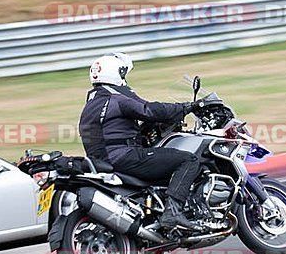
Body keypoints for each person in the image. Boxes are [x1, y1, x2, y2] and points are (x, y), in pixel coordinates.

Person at [78, 52, 201, 230]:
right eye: (124, 74)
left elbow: (113, 131)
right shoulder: (117, 98)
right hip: (124, 157)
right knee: (189, 160)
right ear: (117, 74)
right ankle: (173, 213)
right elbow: (149, 110)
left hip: (103, 161)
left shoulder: (92, 103)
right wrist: (186, 107)